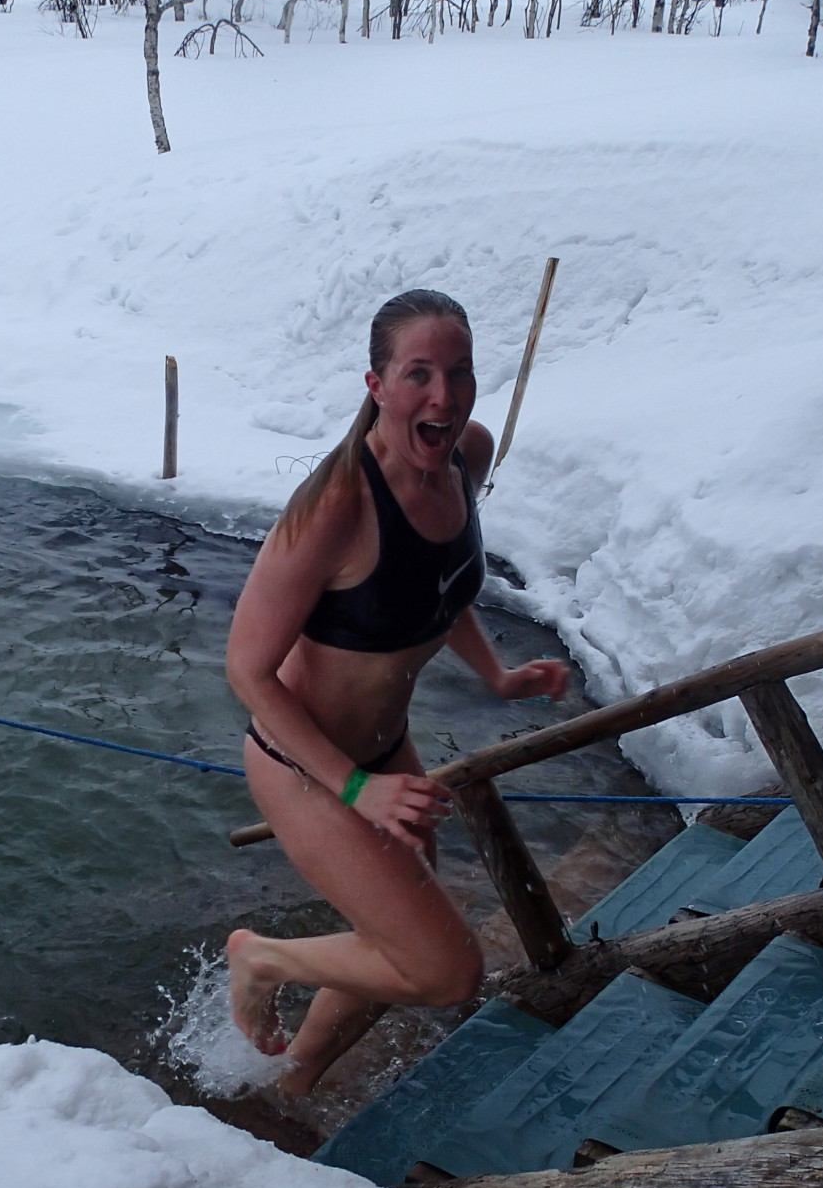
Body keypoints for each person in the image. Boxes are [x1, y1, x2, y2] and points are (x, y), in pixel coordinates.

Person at [224, 289, 569, 1097]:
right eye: (419, 374)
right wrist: (356, 789)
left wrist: (496, 674)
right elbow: (246, 669)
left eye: (459, 372)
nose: (443, 396)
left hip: (384, 754)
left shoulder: (467, 454)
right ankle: (261, 957)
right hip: (306, 765)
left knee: (391, 940)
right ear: (377, 385)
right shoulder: (337, 508)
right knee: (445, 967)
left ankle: (294, 1083)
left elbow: (435, 584)